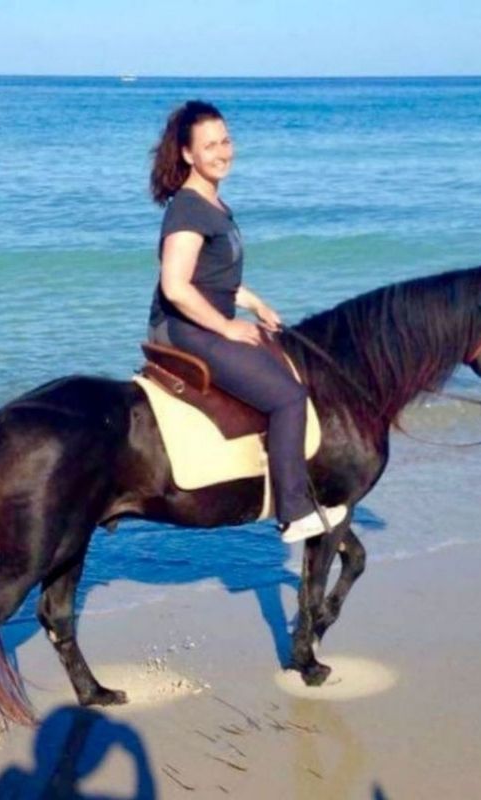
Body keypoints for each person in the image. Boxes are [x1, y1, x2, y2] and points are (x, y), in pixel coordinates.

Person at [147, 100, 346, 543]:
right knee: (289, 398)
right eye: (210, 145)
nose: (222, 152)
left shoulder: (214, 203)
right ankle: (294, 512)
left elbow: (213, 278)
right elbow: (177, 287)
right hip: (183, 328)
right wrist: (228, 327)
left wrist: (253, 303)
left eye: (226, 140)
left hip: (205, 318)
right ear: (187, 155)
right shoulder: (188, 209)